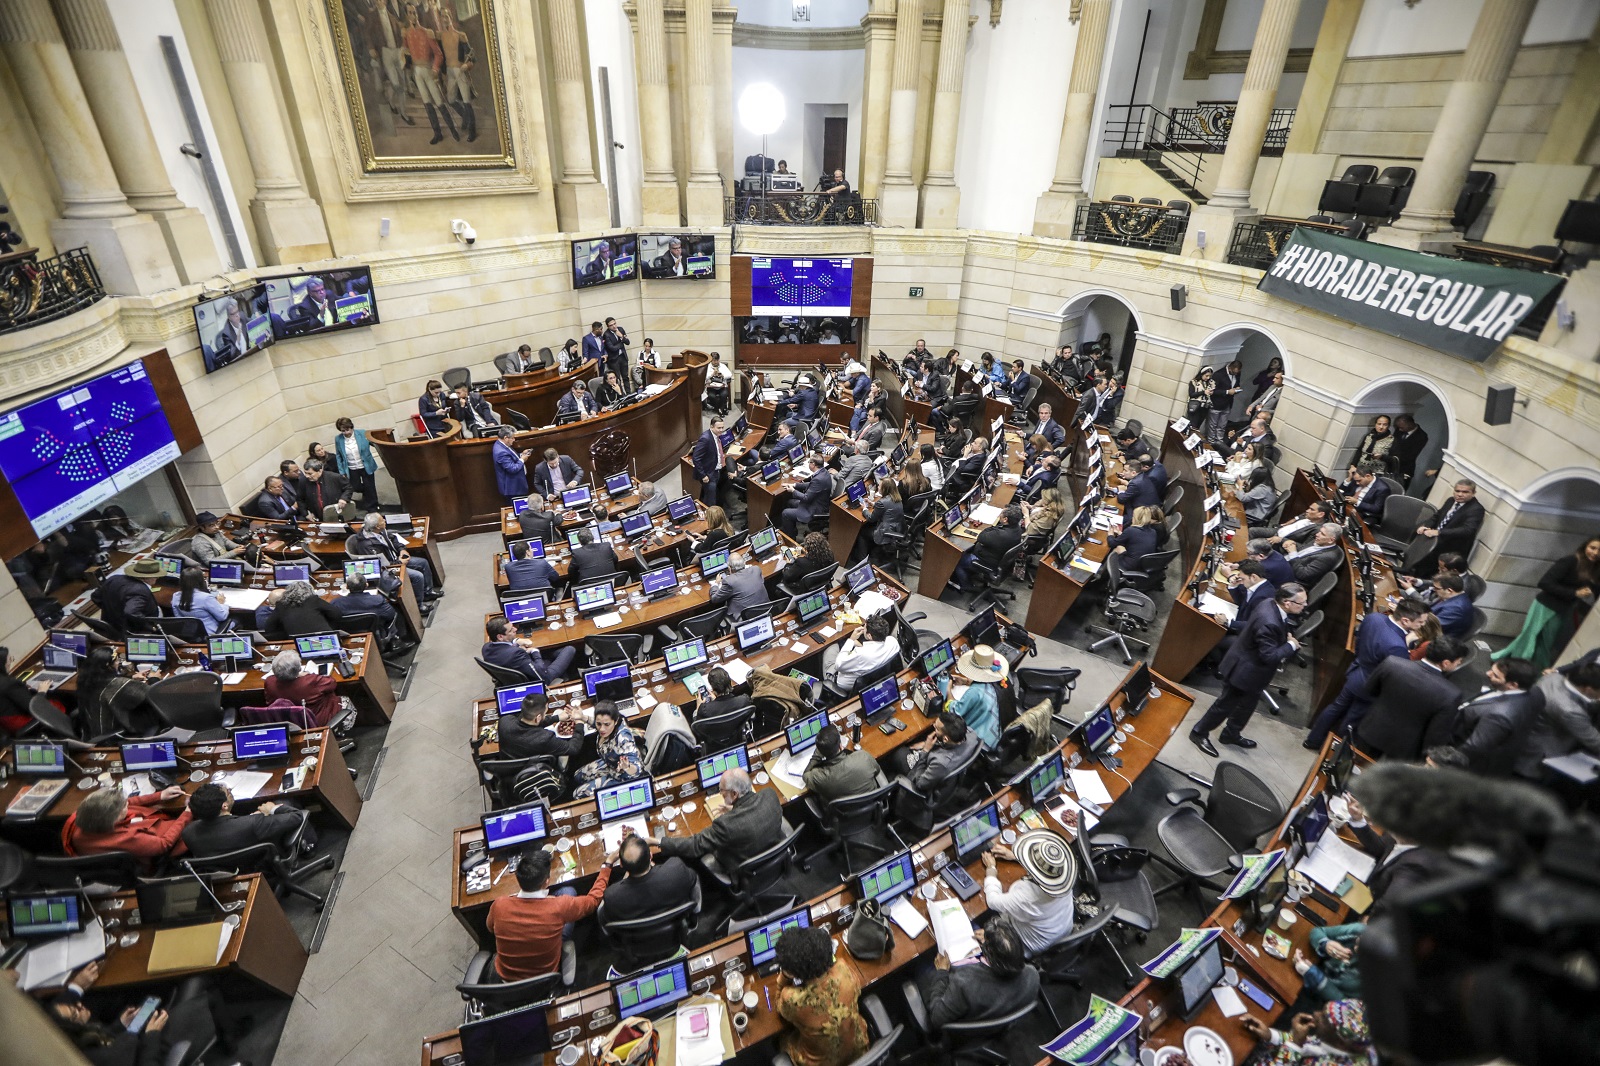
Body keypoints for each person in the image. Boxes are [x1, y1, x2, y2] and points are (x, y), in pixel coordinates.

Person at [1191, 583, 1306, 756]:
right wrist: (1291, 645)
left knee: (1247, 706)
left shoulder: (1269, 603)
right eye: (1301, 603)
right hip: (1244, 672)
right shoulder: (1269, 622)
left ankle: (1231, 734)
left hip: (1254, 673)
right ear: (1287, 603)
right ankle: (1198, 732)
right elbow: (1269, 656)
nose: (1305, 606)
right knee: (1224, 705)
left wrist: (1285, 639)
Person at [1304, 598, 1429, 750]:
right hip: (1370, 688)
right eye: (1420, 622)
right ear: (1405, 620)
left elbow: (1359, 642)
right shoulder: (1397, 646)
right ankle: (1330, 752)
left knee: (1335, 707)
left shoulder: (1373, 618)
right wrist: (1406, 642)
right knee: (1351, 721)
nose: (1422, 626)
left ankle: (1312, 740)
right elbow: (1396, 676)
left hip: (1356, 672)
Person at [47, 960, 222, 1066]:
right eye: (75, 1012)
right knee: (199, 983)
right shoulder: (104, 1058)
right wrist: (152, 1034)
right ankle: (230, 1036)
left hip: (137, 1041)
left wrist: (120, 1025)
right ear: (73, 1027)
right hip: (151, 1052)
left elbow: (105, 1038)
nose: (79, 1005)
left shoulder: (75, 1040)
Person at [487, 845, 613, 984]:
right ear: (547, 881)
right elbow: (593, 901)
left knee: (567, 892)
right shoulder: (559, 906)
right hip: (545, 980)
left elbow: (490, 928)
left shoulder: (499, 905)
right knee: (569, 891)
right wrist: (607, 865)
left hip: (505, 981)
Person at [915, 914, 1040, 1030]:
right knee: (973, 927)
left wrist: (942, 972)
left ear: (989, 954)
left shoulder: (964, 983)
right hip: (998, 1015)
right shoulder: (1033, 975)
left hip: (964, 1026)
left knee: (920, 961)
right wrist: (992, 942)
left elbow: (936, 1018)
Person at [1355, 635, 1468, 761]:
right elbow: (1435, 735)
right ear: (1446, 663)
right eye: (1459, 661)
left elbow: (1370, 690)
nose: (1458, 664)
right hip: (1403, 751)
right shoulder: (1451, 694)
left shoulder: (1392, 663)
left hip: (1371, 731)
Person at [1494, 535, 1599, 669]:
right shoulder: (1570, 561)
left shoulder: (1595, 569)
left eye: (1599, 550)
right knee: (1529, 638)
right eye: (1592, 548)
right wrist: (1574, 593)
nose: (1595, 553)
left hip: (1562, 610)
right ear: (1585, 546)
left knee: (1546, 643)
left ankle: (1533, 670)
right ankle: (1513, 669)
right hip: (1545, 606)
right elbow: (1545, 583)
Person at [773, 924, 871, 1066]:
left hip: (821, 1063)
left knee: (781, 1039)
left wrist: (783, 977)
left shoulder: (793, 1000)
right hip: (858, 1050)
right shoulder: (844, 971)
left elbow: (779, 1006)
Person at [651, 766, 781, 871]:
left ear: (734, 794)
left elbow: (695, 845)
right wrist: (737, 809)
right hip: (773, 856)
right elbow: (752, 815)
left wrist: (658, 841)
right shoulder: (770, 795)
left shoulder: (726, 825)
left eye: (722, 790)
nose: (720, 793)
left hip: (745, 867)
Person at [979, 831, 1076, 956]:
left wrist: (991, 869)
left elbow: (993, 901)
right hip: (1061, 929)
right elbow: (1045, 871)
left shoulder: (1028, 897)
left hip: (1028, 944)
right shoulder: (1064, 875)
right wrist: (1016, 856)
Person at [1451, 657, 1543, 777]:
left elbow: (1474, 747)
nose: (1487, 673)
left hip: (1471, 765)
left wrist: (1445, 760)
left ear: (1513, 685)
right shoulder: (1536, 693)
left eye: (1495, 675)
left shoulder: (1498, 716)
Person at [1514, 661, 1600, 781]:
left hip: (1525, 739)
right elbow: (1595, 742)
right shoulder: (1570, 710)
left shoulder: (1552, 677)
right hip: (1539, 760)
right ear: (1588, 689)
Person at [67, 785, 190, 868]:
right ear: (115, 818)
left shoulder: (89, 814)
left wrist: (159, 796)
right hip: (158, 853)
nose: (128, 802)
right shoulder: (125, 839)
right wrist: (188, 812)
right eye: (124, 806)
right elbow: (164, 844)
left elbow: (125, 802)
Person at [183, 782, 306, 857]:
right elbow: (296, 816)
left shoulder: (188, 832)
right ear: (224, 806)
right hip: (262, 868)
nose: (230, 792)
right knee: (285, 802)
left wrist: (249, 818)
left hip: (226, 874)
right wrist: (272, 809)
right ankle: (307, 848)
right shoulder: (253, 823)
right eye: (229, 792)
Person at [1238, 999, 1373, 1066]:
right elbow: (1308, 1042)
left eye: (1324, 1018)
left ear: (1341, 1042)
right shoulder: (1337, 1040)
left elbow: (1298, 1044)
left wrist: (1294, 1044)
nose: (1315, 1014)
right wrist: (1270, 1035)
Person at [603, 834, 701, 922]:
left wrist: (608, 863)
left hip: (638, 938)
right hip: (675, 929)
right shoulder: (676, 869)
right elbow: (693, 880)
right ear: (650, 856)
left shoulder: (612, 897)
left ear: (621, 864)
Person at [74, 646, 157, 739]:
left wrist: (132, 678)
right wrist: (154, 678)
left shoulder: (85, 680)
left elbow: (110, 685)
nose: (118, 663)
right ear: (108, 665)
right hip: (114, 735)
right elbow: (153, 694)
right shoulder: (117, 685)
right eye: (117, 661)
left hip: (92, 732)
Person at [1406, 479, 1484, 578]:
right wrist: (1426, 525)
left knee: (1426, 571)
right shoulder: (1450, 500)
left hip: (1449, 548)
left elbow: (1467, 530)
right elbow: (1437, 515)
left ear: (1473, 493)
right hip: (1432, 542)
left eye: (1465, 492)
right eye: (1457, 491)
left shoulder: (1476, 509)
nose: (1460, 494)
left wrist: (1439, 532)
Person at [573, 702, 645, 798]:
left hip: (622, 775)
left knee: (578, 794)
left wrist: (627, 767)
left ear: (615, 722)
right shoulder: (606, 725)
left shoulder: (624, 739)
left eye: (607, 724)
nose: (602, 729)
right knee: (577, 776)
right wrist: (582, 717)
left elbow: (637, 771)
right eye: (599, 724)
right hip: (610, 764)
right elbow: (600, 722)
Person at [263, 647, 348, 727]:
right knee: (346, 701)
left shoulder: (269, 682)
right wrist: (308, 675)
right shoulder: (310, 681)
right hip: (316, 722)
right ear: (299, 669)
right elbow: (332, 683)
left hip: (289, 723)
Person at [802, 724, 887, 803]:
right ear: (840, 746)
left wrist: (816, 756)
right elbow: (877, 770)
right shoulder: (863, 756)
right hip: (874, 808)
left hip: (846, 816)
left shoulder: (821, 777)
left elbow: (806, 774)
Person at [943, 645, 1007, 749]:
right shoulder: (1000, 680)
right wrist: (966, 681)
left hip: (983, 744)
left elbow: (954, 712)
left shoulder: (976, 692)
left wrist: (948, 690)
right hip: (998, 735)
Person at [482, 616, 577, 684]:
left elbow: (504, 650)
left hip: (517, 671)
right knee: (569, 649)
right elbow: (542, 675)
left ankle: (565, 673)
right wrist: (534, 652)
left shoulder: (486, 648)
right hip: (541, 677)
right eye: (511, 630)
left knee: (557, 652)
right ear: (500, 636)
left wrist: (516, 641)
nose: (515, 629)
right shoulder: (516, 653)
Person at [497, 692, 586, 763]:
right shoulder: (545, 738)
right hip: (536, 774)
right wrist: (579, 723)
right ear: (538, 717)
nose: (546, 714)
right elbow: (573, 748)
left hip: (510, 772)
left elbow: (529, 722)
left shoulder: (504, 722)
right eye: (545, 713)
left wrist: (557, 717)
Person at [951, 506, 1022, 594]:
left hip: (989, 562)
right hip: (1001, 561)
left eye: (1001, 515)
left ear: (1005, 519)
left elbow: (981, 536)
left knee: (958, 558)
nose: (999, 515)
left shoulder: (1000, 534)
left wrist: (992, 526)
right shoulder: (1017, 529)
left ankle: (966, 586)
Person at [822, 612, 898, 694]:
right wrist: (860, 647)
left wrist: (851, 640)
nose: (863, 629)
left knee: (830, 649)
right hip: (872, 675)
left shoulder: (860, 654)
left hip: (843, 684)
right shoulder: (893, 643)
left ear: (869, 636)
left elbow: (838, 665)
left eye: (864, 628)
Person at [90, 557, 161, 636]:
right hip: (130, 631)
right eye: (156, 576)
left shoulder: (113, 578)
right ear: (146, 578)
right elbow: (131, 612)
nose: (157, 578)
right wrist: (149, 627)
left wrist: (112, 610)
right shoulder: (141, 591)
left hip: (109, 624)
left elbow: (95, 596)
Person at [261, 580, 343, 639]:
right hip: (325, 638)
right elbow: (337, 614)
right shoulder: (313, 599)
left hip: (297, 642)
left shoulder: (281, 605)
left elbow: (269, 628)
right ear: (310, 591)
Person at [332, 416, 381, 512]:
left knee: (370, 486)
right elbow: (338, 455)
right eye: (343, 431)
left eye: (347, 429)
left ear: (351, 427)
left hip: (366, 465)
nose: (346, 432)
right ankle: (367, 495)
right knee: (355, 486)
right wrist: (341, 471)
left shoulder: (362, 433)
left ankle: (373, 507)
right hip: (351, 467)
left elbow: (374, 442)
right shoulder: (338, 439)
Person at [851, 481, 905, 565]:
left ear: (885, 489)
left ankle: (861, 561)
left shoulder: (882, 502)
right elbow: (887, 506)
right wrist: (872, 503)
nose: (878, 487)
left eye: (879, 486)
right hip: (897, 528)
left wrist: (864, 508)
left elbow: (871, 518)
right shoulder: (897, 497)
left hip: (886, 533)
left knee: (862, 532)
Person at [331, 571, 399, 636]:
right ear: (366, 585)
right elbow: (391, 615)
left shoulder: (336, 603)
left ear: (346, 587)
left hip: (348, 635)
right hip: (374, 634)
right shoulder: (378, 600)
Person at [173, 566, 228, 636]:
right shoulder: (206, 598)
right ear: (201, 580)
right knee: (236, 620)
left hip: (188, 634)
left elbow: (178, 619)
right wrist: (221, 604)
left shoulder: (175, 596)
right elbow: (222, 617)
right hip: (209, 633)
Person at [780, 468, 834, 539]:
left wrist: (793, 491)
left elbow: (806, 498)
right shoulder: (824, 472)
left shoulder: (818, 478)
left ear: (813, 464)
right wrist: (794, 485)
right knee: (790, 502)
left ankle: (791, 538)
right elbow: (811, 484)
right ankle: (792, 530)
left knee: (785, 513)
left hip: (814, 509)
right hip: (819, 503)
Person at [709, 554, 768, 618]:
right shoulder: (756, 569)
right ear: (744, 563)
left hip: (744, 618)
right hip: (765, 611)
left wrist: (715, 584)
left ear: (729, 568)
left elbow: (715, 599)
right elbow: (761, 581)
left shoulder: (729, 581)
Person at [692, 416, 729, 505]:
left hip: (716, 470)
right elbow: (696, 458)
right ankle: (710, 516)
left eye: (722, 428)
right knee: (710, 500)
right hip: (709, 474)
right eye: (718, 428)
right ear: (711, 427)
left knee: (713, 493)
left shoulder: (716, 436)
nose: (721, 430)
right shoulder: (706, 438)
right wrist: (703, 475)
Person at [492, 426, 534, 503]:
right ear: (506, 438)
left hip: (516, 486)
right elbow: (512, 469)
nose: (514, 440)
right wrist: (522, 459)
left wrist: (522, 454)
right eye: (512, 438)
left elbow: (511, 457)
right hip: (513, 489)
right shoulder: (501, 452)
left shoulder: (503, 445)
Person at [1387, 413, 1430, 486]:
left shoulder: (1421, 436)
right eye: (1399, 427)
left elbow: (1411, 455)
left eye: (1402, 427)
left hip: (1405, 469)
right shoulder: (1399, 430)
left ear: (1410, 424)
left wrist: (1391, 458)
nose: (1400, 429)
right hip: (1391, 467)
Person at [1206, 359, 1243, 444]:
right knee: (1213, 425)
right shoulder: (1218, 374)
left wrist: (1237, 388)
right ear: (1230, 368)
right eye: (1234, 372)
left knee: (1222, 426)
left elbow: (1236, 384)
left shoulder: (1237, 374)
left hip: (1228, 404)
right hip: (1217, 403)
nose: (1235, 374)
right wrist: (1227, 392)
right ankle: (1211, 442)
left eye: (1237, 373)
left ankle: (1219, 442)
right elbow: (1212, 391)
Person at [602, 317, 631, 382]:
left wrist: (621, 336)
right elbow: (612, 348)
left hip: (623, 356)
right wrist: (621, 342)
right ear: (608, 326)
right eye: (611, 325)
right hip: (614, 359)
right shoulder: (606, 335)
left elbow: (627, 342)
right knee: (617, 379)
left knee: (625, 377)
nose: (614, 326)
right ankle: (620, 392)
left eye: (614, 324)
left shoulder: (620, 329)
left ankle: (628, 392)